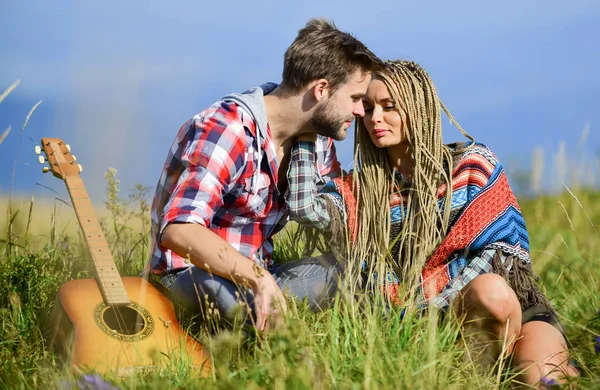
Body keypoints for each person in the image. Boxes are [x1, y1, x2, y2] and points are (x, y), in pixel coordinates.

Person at [287, 60, 578, 386]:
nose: (375, 118)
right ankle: (478, 377)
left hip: (509, 310)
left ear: (418, 108)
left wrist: (427, 309)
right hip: (432, 330)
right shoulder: (360, 192)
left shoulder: (472, 167)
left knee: (540, 377)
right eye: (367, 108)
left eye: (389, 106)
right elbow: (303, 207)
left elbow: (499, 258)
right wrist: (307, 127)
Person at [146, 18, 382, 332]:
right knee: (236, 308)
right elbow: (179, 230)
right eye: (355, 99)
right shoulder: (227, 128)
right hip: (190, 274)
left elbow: (340, 206)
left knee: (364, 275)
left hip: (260, 277)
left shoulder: (317, 140)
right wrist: (258, 279)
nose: (360, 112)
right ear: (321, 89)